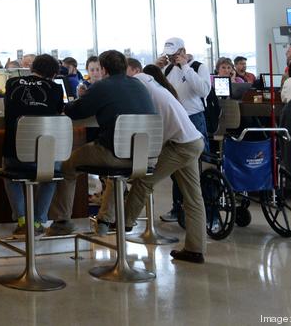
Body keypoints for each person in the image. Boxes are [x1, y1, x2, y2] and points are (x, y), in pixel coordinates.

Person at [47, 50, 155, 237]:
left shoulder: (102, 86)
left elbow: (76, 112)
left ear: (104, 69)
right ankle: (105, 221)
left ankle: (62, 220)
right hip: (144, 155)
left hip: (113, 154)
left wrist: (76, 100)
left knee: (67, 166)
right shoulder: (138, 85)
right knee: (115, 175)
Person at [124, 61, 207, 264]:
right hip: (194, 141)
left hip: (180, 145)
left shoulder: (139, 82)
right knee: (194, 198)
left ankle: (123, 224)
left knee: (145, 181)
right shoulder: (156, 85)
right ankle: (195, 250)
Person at [2, 53, 65, 237]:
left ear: (31, 69)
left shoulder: (11, 83)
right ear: (53, 74)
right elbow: (59, 114)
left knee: (8, 171)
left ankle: (22, 220)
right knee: (52, 173)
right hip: (44, 159)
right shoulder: (55, 88)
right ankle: (37, 220)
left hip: (15, 156)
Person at [156, 38, 211, 223]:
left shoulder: (198, 67)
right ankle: (177, 207)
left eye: (175, 55)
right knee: (175, 165)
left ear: (183, 51)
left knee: (200, 165)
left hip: (195, 118)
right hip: (176, 120)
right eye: (169, 56)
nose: (172, 59)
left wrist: (186, 67)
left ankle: (208, 209)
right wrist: (157, 68)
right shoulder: (168, 69)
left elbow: (204, 91)